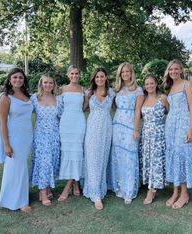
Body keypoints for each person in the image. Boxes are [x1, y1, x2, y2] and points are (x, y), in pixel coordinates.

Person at [163, 59, 192, 209]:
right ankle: (175, 192)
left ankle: (184, 194)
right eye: (171, 69)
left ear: (181, 70)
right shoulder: (170, 87)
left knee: (182, 156)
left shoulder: (187, 85)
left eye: (176, 69)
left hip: (183, 125)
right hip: (170, 126)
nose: (173, 71)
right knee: (173, 156)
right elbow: (169, 108)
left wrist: (191, 129)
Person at [0, 68, 33, 212]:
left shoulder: (25, 94)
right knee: (15, 167)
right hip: (14, 137)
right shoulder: (5, 97)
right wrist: (6, 144)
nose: (18, 80)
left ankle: (21, 196)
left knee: (22, 166)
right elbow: (3, 123)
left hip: (27, 136)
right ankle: (17, 201)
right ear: (10, 79)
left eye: (21, 77)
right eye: (15, 77)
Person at [108, 62, 144, 204]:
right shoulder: (116, 89)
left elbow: (137, 112)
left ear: (131, 73)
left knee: (129, 157)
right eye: (122, 72)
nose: (125, 74)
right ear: (119, 74)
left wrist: (135, 129)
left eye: (127, 72)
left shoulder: (138, 90)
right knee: (118, 156)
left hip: (130, 126)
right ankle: (118, 185)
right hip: (117, 125)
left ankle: (129, 190)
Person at [83, 67, 115, 210]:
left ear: (106, 77)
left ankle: (102, 186)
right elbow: (82, 108)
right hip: (92, 129)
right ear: (94, 79)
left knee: (102, 158)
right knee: (92, 158)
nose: (100, 79)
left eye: (102, 76)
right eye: (97, 77)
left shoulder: (112, 93)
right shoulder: (89, 93)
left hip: (107, 129)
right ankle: (95, 194)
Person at [30, 75, 61, 206]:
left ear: (54, 85)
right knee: (43, 161)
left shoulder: (58, 99)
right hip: (41, 135)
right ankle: (42, 192)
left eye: (50, 83)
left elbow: (61, 117)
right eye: (45, 83)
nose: (48, 85)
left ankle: (47, 186)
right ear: (41, 84)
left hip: (54, 134)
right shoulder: (34, 98)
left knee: (51, 160)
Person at [58, 65, 86, 201]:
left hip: (79, 123)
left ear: (79, 75)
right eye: (72, 74)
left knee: (77, 152)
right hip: (66, 123)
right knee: (67, 152)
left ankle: (68, 186)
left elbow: (84, 107)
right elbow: (58, 108)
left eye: (76, 74)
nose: (74, 76)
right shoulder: (62, 89)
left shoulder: (83, 90)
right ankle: (75, 183)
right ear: (68, 75)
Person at [140, 74, 169, 205]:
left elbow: (171, 114)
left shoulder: (162, 98)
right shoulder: (143, 99)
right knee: (148, 159)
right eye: (147, 84)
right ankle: (149, 183)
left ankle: (152, 190)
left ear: (156, 84)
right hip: (146, 134)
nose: (149, 86)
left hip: (159, 135)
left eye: (152, 83)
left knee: (156, 160)